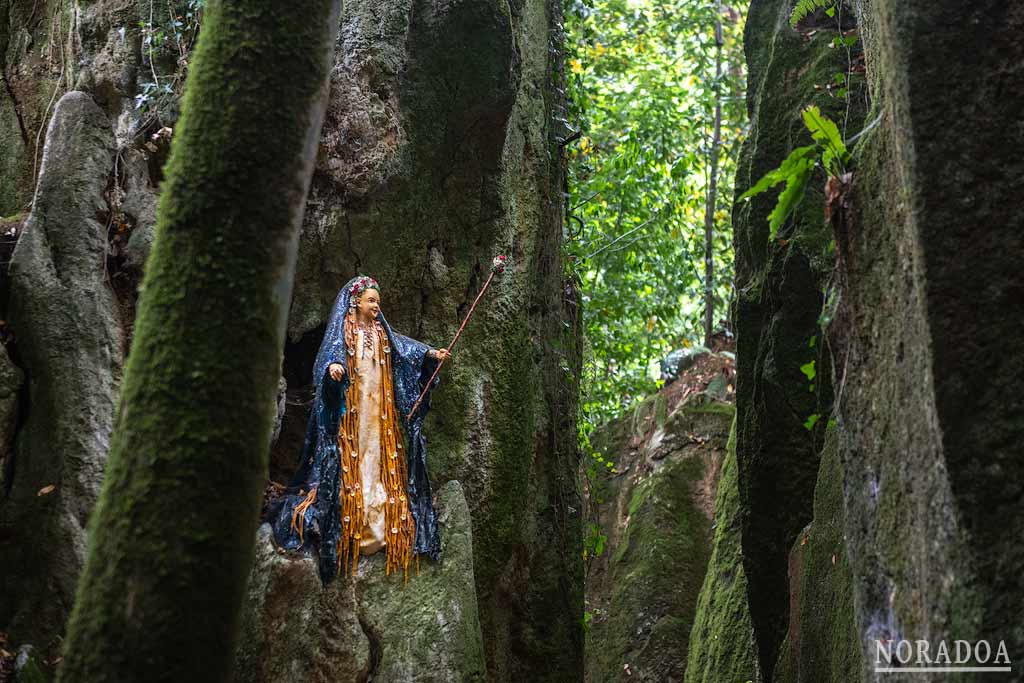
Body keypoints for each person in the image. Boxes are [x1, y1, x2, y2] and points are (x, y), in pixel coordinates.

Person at [266, 275, 449, 583]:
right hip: (351, 412)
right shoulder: (345, 332)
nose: (377, 307)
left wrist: (430, 353)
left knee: (378, 457)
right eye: (371, 301)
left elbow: (403, 347)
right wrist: (333, 368)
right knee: (351, 457)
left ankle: (380, 519)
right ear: (356, 303)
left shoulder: (380, 331)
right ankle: (348, 519)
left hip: (379, 411)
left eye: (378, 302)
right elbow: (329, 355)